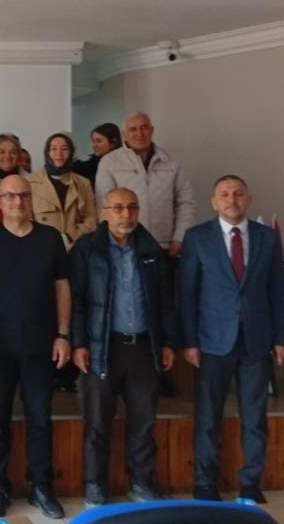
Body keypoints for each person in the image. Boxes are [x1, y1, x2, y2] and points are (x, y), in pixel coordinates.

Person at [180, 175, 284, 504]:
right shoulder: (197, 237)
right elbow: (187, 293)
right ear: (214, 202)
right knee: (207, 417)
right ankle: (205, 483)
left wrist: (281, 338)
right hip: (212, 342)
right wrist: (190, 341)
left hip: (256, 341)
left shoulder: (267, 238)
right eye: (224, 194)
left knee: (254, 418)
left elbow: (278, 291)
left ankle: (251, 484)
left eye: (238, 193)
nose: (232, 199)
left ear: (248, 199)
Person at [70, 188, 178, 507]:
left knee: (144, 421)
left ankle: (142, 482)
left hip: (144, 346)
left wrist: (168, 342)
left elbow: (165, 301)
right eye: (117, 208)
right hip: (103, 346)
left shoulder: (151, 249)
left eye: (131, 207)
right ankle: (95, 484)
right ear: (104, 212)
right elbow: (77, 301)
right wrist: (79, 343)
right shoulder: (87, 248)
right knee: (97, 421)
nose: (125, 214)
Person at [0, 175, 71, 520]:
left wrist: (63, 334)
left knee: (40, 419)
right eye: (10, 196)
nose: (17, 202)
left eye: (23, 196)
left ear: (32, 200)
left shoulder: (50, 238)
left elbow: (62, 287)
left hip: (41, 345)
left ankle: (41, 486)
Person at [96, 112, 195, 257]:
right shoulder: (109, 162)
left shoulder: (172, 161)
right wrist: (112, 243)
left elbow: (185, 202)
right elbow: (104, 207)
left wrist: (180, 237)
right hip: (126, 245)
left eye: (144, 128)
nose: (139, 134)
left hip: (165, 245)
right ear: (124, 134)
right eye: (133, 129)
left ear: (152, 130)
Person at [29, 132, 97, 250]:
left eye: (65, 149)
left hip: (76, 247)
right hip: (41, 248)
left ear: (71, 153)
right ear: (47, 152)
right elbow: (25, 218)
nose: (59, 153)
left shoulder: (83, 183)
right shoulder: (29, 182)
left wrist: (69, 237)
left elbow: (91, 220)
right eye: (54, 149)